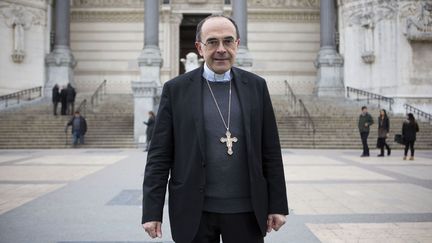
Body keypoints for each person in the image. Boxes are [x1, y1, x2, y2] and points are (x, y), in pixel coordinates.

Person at [142, 15, 288, 243]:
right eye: (212, 42)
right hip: (194, 211)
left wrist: (277, 205)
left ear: (237, 45)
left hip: (246, 211)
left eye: (228, 41)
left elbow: (270, 150)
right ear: (200, 48)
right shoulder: (176, 90)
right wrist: (152, 211)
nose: (221, 49)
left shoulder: (256, 86)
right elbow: (159, 156)